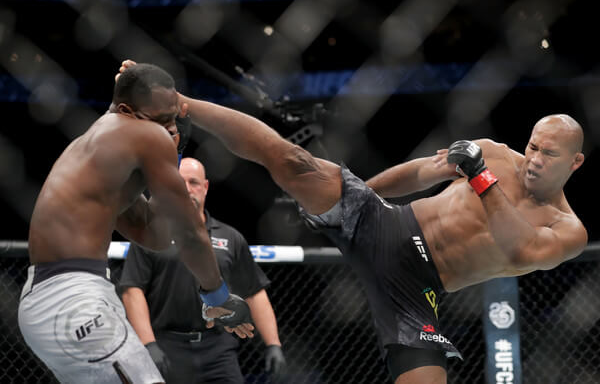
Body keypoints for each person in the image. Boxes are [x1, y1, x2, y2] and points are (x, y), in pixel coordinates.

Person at [118, 61, 588, 384]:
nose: (534, 158)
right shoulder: (499, 154)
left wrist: (482, 178)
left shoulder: (568, 229)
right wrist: (362, 193)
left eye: (549, 153)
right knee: (293, 158)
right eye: (533, 145)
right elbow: (424, 172)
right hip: (392, 225)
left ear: (576, 163)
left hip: (420, 291)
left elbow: (522, 249)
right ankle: (180, 103)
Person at [18, 63, 253, 384]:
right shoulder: (140, 133)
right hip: (75, 300)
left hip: (51, 304)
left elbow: (153, 234)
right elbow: (189, 232)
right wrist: (217, 296)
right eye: (161, 120)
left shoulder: (95, 153)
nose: (170, 129)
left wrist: (175, 154)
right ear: (128, 109)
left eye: (175, 119)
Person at [119, 157, 286, 383]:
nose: (187, 189)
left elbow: (253, 291)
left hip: (218, 346)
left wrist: (273, 343)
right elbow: (132, 290)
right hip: (167, 344)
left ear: (205, 187)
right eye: (180, 182)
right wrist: (149, 344)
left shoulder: (230, 237)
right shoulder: (151, 236)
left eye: (194, 182)